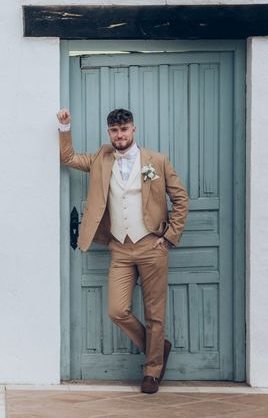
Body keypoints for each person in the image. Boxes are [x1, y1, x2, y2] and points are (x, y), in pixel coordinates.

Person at [57, 107, 189, 394]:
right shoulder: (101, 159)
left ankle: (152, 371)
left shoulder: (157, 160)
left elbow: (181, 199)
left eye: (124, 129)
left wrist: (168, 238)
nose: (120, 135)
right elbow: (67, 158)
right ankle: (157, 347)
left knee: (155, 313)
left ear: (134, 130)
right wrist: (64, 127)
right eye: (115, 131)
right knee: (117, 310)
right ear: (109, 132)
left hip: (152, 245)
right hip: (119, 246)